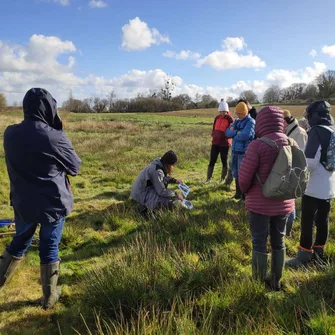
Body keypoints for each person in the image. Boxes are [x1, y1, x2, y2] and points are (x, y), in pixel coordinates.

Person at [0, 88, 81, 309]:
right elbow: (75, 167)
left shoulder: (10, 133)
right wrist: (59, 130)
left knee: (19, 242)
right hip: (52, 204)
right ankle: (49, 297)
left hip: (23, 201)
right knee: (49, 246)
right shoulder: (54, 136)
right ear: (50, 109)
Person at [239, 106, 295, 290]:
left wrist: (246, 192)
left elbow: (244, 178)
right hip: (284, 203)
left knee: (259, 241)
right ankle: (276, 280)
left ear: (261, 122)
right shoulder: (291, 143)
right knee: (279, 240)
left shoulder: (257, 145)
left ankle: (257, 282)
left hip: (259, 205)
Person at [286, 101, 335, 268]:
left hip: (313, 186)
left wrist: (298, 172)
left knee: (307, 220)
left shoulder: (316, 131)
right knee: (323, 220)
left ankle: (303, 256)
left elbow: (310, 161)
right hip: (329, 185)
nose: (306, 120)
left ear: (314, 115)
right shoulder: (331, 130)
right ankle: (319, 254)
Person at [283, 109, 308, 237]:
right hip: (285, 170)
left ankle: (288, 231)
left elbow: (301, 157)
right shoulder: (288, 131)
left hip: (294, 172)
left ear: (285, 121)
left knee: (290, 201)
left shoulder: (300, 133)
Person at [225, 102, 255, 199]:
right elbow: (227, 133)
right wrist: (236, 132)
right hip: (235, 151)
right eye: (237, 113)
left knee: (243, 174)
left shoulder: (251, 122)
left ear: (245, 112)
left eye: (240, 113)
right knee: (236, 173)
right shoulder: (237, 121)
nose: (238, 115)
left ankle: (244, 196)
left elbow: (245, 135)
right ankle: (237, 194)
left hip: (244, 152)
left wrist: (235, 134)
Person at [205, 99, 234, 183]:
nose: (222, 113)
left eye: (224, 111)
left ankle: (222, 179)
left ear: (227, 111)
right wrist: (213, 133)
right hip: (215, 142)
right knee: (212, 160)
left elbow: (232, 131)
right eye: (221, 111)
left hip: (225, 144)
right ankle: (208, 178)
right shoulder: (217, 118)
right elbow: (214, 128)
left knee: (224, 161)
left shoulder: (230, 119)